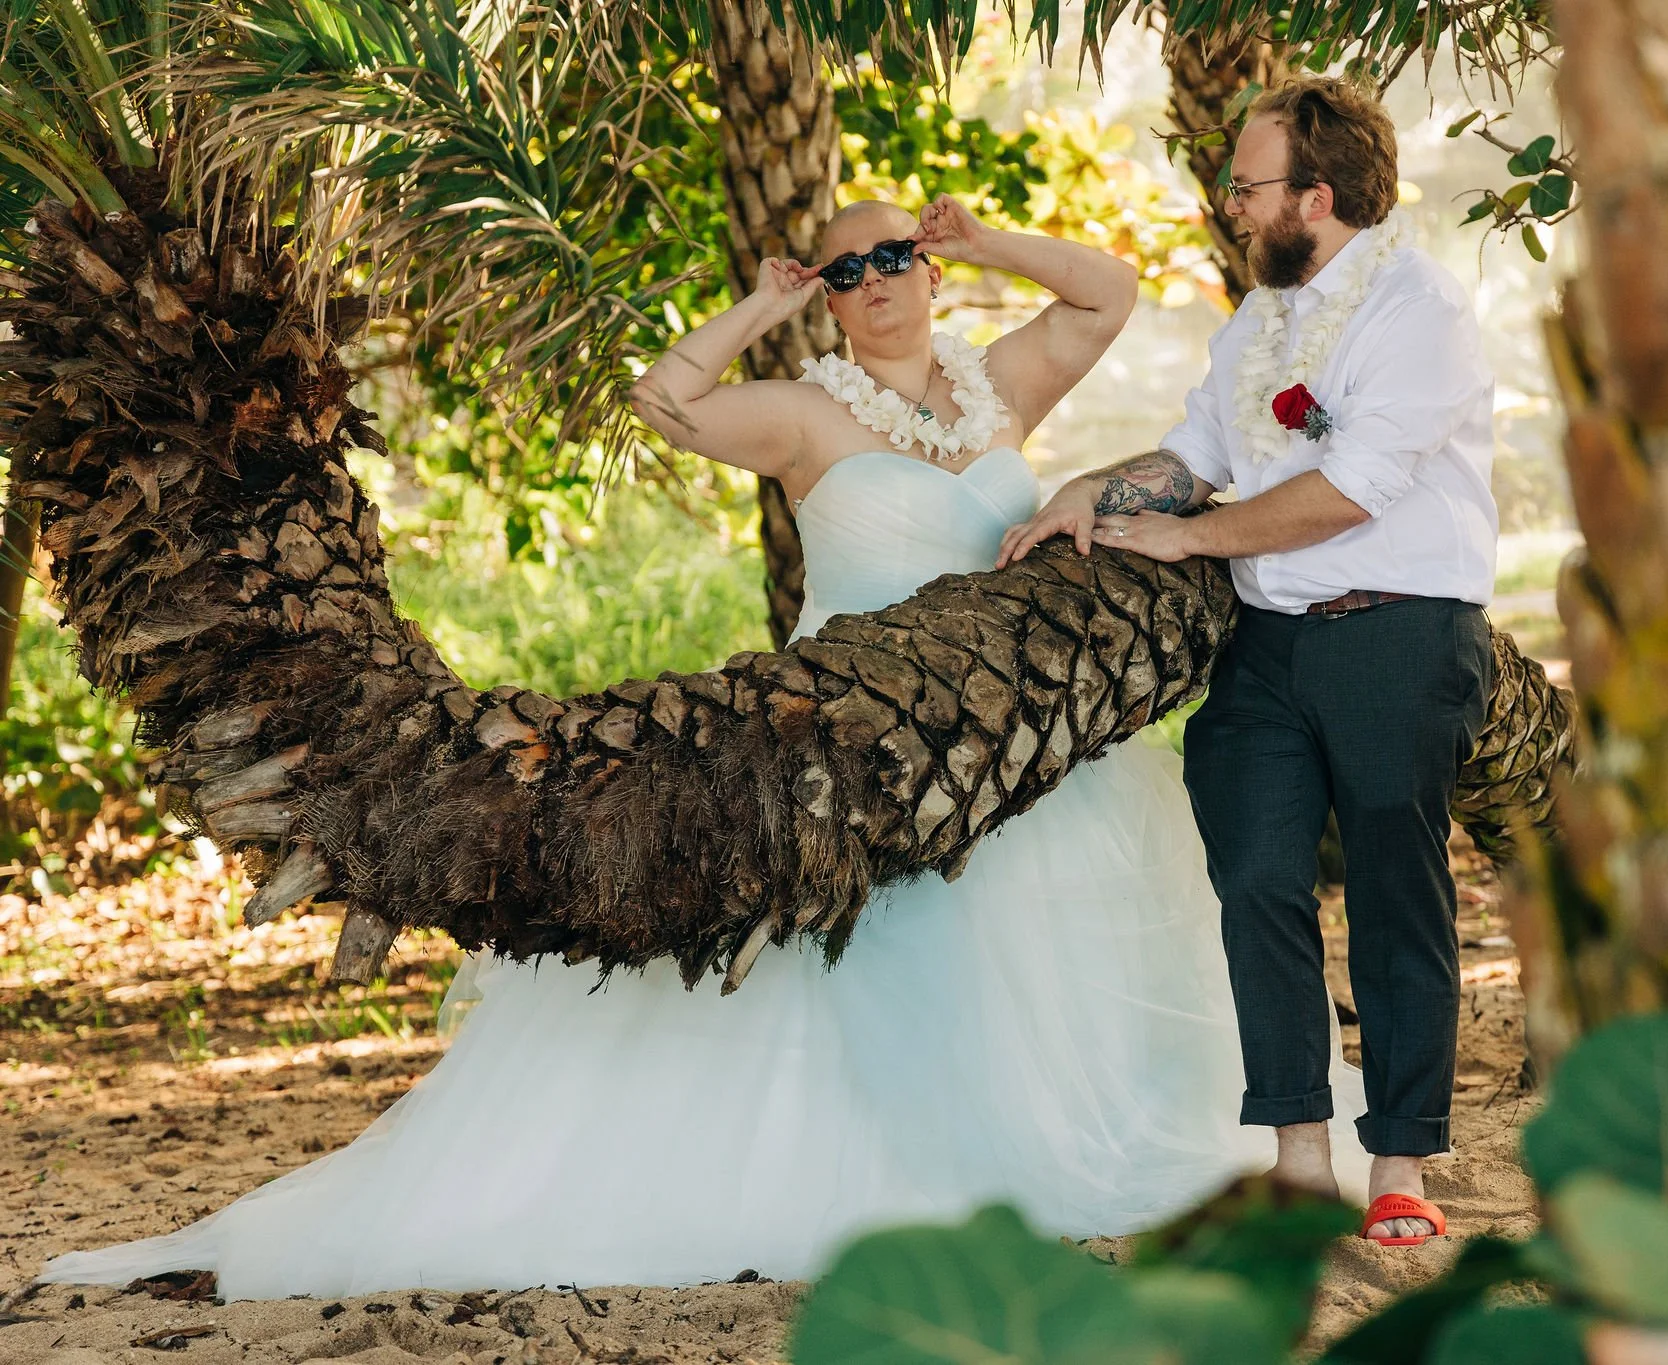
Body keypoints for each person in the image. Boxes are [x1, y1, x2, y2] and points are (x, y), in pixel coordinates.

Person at [38, 192, 1368, 1301]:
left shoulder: (996, 388)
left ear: (925, 266)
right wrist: (767, 302)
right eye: (850, 273)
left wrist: (983, 243)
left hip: (1020, 749)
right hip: (854, 759)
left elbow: (1107, 294)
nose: (878, 284)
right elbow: (664, 401)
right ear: (829, 296)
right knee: (868, 970)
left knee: (1054, 977)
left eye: (893, 257)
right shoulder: (803, 413)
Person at [1001, 77, 1499, 1245]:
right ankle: (1294, 1156)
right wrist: (1095, 490)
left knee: (1393, 893)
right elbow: (1194, 453)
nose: (1227, 203)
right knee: (1256, 883)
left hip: (1399, 634)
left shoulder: (1415, 311)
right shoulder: (1256, 321)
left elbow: (1349, 489)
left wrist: (1190, 535)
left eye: (1245, 184)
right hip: (1263, 650)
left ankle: (1400, 1168)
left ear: (1314, 196)